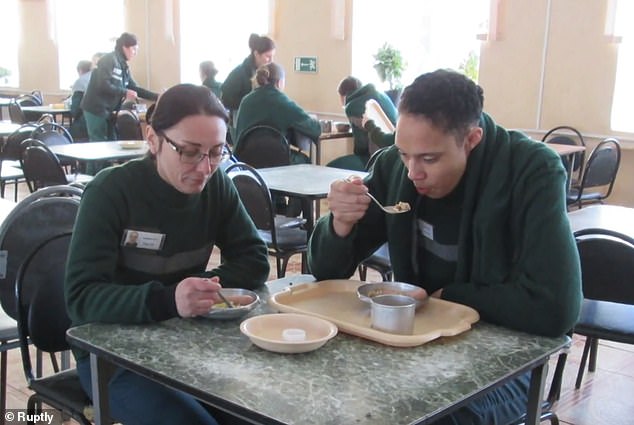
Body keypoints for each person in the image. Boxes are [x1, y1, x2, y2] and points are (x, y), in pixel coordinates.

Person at [308, 69, 582, 425]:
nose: (412, 173)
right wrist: (340, 224)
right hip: (415, 347)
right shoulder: (394, 167)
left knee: (435, 418)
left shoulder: (531, 171)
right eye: (405, 153)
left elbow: (556, 308)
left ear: (471, 139)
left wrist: (447, 295)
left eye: (429, 159)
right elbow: (326, 272)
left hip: (511, 363)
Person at [65, 83, 270, 425]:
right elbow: (81, 298)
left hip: (189, 346)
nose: (205, 168)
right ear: (153, 139)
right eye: (189, 152)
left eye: (217, 152)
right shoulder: (110, 192)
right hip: (113, 359)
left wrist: (198, 289)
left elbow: (254, 258)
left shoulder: (216, 185)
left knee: (256, 415)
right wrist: (168, 300)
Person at [234, 62, 321, 165]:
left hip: (245, 161)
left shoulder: (246, 100)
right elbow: (315, 129)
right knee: (305, 160)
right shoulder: (282, 101)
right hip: (278, 160)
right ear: (279, 82)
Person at [81, 32, 158, 142]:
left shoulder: (123, 65)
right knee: (98, 144)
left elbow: (133, 87)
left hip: (109, 110)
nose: (135, 53)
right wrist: (124, 92)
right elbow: (102, 84)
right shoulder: (108, 59)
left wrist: (156, 96)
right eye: (134, 49)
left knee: (112, 142)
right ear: (125, 47)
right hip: (96, 108)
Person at [327, 76, 398, 171]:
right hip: (397, 154)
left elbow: (361, 144)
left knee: (330, 167)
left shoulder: (351, 107)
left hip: (378, 159)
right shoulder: (381, 95)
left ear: (343, 96)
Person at [221, 33, 276, 123]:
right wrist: (251, 102)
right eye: (268, 56)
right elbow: (225, 99)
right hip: (242, 122)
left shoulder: (268, 72)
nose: (271, 60)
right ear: (256, 54)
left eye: (273, 56)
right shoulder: (239, 73)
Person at [68, 59, 93, 141]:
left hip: (85, 124)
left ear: (80, 70)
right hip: (107, 121)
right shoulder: (99, 77)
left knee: (66, 136)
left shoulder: (80, 82)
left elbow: (75, 110)